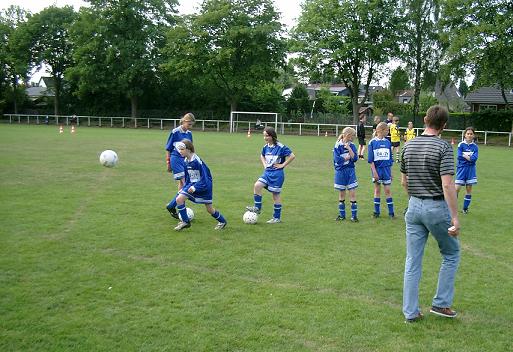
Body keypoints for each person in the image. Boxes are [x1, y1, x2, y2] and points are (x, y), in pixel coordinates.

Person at [400, 105, 460, 323]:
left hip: (413, 207)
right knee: (451, 253)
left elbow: (404, 182)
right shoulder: (444, 147)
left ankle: (411, 312)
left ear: (425, 120)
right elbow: (447, 185)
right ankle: (441, 303)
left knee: (412, 260)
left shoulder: (408, 145)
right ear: (444, 125)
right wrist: (455, 218)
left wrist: (415, 200)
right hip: (435, 207)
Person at [166, 140, 227, 231]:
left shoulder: (197, 161)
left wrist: (195, 187)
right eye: (179, 149)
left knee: (209, 209)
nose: (180, 151)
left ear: (189, 150)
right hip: (192, 185)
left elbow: (205, 179)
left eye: (182, 149)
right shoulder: (186, 160)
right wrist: (184, 188)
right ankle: (185, 222)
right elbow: (188, 177)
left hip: (204, 186)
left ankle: (222, 221)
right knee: (179, 199)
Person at [246, 127, 296, 223]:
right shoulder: (265, 147)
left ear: (272, 136)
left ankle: (276, 218)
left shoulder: (281, 147)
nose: (265, 138)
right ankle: (257, 208)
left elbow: (292, 156)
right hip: (267, 172)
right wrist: (265, 165)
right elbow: (262, 155)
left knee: (275, 195)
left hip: (277, 174)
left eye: (267, 136)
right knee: (257, 185)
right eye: (264, 135)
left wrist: (282, 165)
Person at [165, 113, 195, 218]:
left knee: (183, 185)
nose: (190, 127)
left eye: (191, 125)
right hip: (176, 159)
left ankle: (175, 204)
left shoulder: (189, 133)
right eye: (189, 124)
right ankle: (174, 205)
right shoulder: (175, 132)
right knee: (187, 184)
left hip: (185, 161)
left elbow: (191, 149)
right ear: (184, 121)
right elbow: (168, 148)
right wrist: (168, 163)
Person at [367, 122, 395, 218]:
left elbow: (390, 159)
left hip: (386, 170)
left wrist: (391, 173)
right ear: (381, 130)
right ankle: (376, 212)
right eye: (387, 130)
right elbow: (371, 160)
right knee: (377, 190)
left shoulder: (388, 142)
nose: (388, 132)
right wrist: (374, 172)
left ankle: (391, 213)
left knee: (387, 190)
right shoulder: (372, 143)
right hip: (377, 170)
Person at [333, 127, 359, 222]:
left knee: (352, 192)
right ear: (348, 135)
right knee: (342, 193)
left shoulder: (352, 145)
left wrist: (348, 149)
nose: (354, 138)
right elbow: (337, 160)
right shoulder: (337, 146)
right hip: (340, 172)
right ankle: (342, 215)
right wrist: (347, 158)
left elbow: (355, 158)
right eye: (353, 136)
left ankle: (354, 216)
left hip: (350, 171)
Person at [455, 127, 478, 214]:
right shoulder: (461, 145)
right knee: (456, 189)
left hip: (471, 170)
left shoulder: (475, 147)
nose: (469, 135)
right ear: (465, 135)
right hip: (461, 168)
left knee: (468, 189)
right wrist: (469, 158)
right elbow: (459, 156)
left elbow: (475, 158)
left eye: (471, 134)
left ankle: (465, 208)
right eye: (468, 133)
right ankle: (452, 208)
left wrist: (466, 156)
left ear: (473, 135)